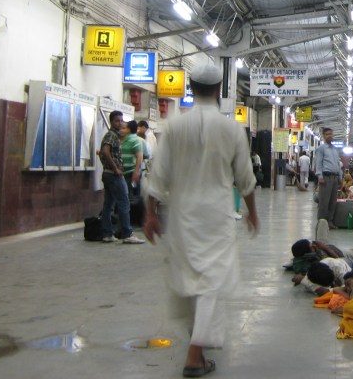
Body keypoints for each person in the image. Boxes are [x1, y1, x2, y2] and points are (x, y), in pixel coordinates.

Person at [143, 63, 258, 377]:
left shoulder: (174, 126)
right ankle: (195, 355)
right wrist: (252, 212)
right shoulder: (232, 129)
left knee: (188, 277)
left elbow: (158, 175)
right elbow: (245, 178)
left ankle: (197, 345)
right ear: (219, 90)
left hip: (182, 216)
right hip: (217, 216)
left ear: (190, 88)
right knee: (211, 281)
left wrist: (150, 213)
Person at [98, 111, 144, 244]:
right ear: (111, 121)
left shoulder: (114, 136)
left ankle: (107, 233)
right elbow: (105, 151)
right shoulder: (112, 135)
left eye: (121, 121)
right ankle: (127, 233)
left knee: (108, 204)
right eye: (117, 121)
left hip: (108, 174)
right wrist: (115, 168)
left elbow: (103, 153)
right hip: (114, 175)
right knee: (124, 202)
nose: (120, 123)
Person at [314, 127, 342, 229]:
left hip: (335, 178)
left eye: (331, 134)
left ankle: (329, 222)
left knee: (332, 202)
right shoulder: (321, 149)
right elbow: (318, 163)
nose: (329, 136)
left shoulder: (335, 149)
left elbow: (338, 164)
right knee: (324, 202)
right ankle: (321, 223)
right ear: (323, 136)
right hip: (326, 177)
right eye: (327, 134)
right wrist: (320, 176)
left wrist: (340, 176)